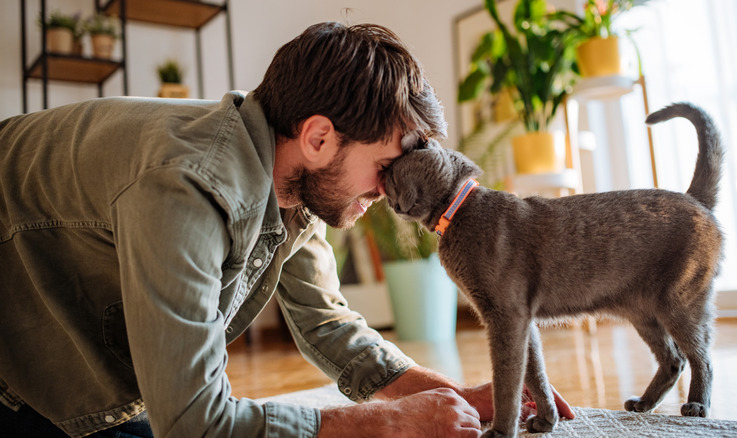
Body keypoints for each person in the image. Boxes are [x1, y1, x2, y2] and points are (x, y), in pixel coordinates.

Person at [0, 22, 572, 437]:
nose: (389, 192)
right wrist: (383, 424)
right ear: (319, 137)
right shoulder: (187, 189)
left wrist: (442, 392)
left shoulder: (290, 177)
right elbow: (193, 423)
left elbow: (325, 323)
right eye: (385, 166)